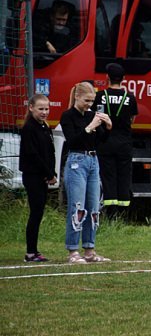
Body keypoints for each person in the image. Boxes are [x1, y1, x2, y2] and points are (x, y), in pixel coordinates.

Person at [61, 82, 113, 263]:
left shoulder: (91, 115)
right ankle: (72, 251)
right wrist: (90, 126)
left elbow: (100, 141)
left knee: (93, 208)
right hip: (77, 161)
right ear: (77, 97)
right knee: (78, 207)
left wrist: (107, 127)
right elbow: (73, 141)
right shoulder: (67, 116)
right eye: (86, 100)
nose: (89, 104)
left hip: (93, 160)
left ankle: (90, 250)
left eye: (92, 101)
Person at [95, 63, 138, 219]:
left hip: (105, 143)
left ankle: (111, 216)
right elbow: (132, 119)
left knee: (108, 177)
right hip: (124, 143)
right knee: (124, 178)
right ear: (123, 79)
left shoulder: (100, 96)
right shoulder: (130, 97)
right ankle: (123, 217)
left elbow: (96, 119)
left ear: (107, 78)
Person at [19, 95, 57, 262]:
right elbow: (33, 155)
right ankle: (31, 252)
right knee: (36, 212)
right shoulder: (29, 128)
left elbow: (50, 153)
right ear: (31, 108)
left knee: (39, 211)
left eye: (46, 109)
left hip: (43, 175)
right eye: (40, 109)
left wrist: (52, 173)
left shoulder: (45, 128)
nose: (44, 112)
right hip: (33, 175)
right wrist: (48, 173)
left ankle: (34, 251)